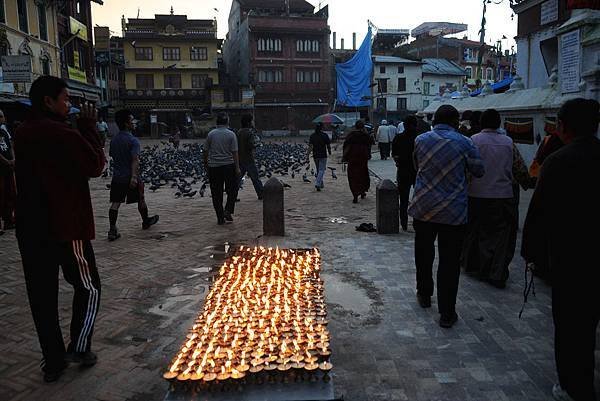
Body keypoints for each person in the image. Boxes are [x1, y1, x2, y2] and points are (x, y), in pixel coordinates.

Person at [14, 76, 106, 382]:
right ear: (48, 102)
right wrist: (89, 129)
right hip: (67, 225)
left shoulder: (22, 133)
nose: (70, 104)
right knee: (89, 286)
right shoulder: (63, 134)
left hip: (31, 228)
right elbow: (95, 165)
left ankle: (53, 361)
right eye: (65, 99)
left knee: (41, 295)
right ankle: (79, 347)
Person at [521, 98, 600, 401]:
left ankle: (572, 386)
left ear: (562, 127)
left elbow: (539, 213)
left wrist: (531, 252)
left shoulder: (558, 161)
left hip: (570, 257)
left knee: (570, 327)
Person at [408, 105, 484, 328]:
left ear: (434, 120)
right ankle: (447, 313)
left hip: (424, 207)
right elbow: (479, 170)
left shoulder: (420, 140)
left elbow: (416, 166)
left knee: (423, 253)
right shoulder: (465, 142)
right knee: (449, 262)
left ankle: (424, 294)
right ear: (454, 122)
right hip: (453, 211)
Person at [461, 109, 514, 289]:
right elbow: (519, 168)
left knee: (475, 232)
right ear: (499, 124)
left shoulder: (473, 140)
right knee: (500, 237)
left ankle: (475, 267)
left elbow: (465, 168)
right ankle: (496, 271)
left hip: (476, 193)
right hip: (502, 195)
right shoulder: (508, 142)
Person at [107, 110, 159, 241]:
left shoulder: (114, 140)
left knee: (115, 203)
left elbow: (113, 156)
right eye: (131, 120)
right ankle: (145, 221)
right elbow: (135, 160)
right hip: (131, 176)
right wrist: (134, 177)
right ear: (126, 123)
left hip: (117, 177)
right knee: (141, 199)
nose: (134, 122)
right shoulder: (133, 140)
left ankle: (112, 229)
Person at [204, 112, 241, 224]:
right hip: (229, 166)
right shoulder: (231, 134)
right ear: (227, 122)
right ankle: (228, 210)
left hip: (214, 167)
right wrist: (237, 168)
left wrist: (206, 165)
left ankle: (220, 217)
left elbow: (205, 151)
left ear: (217, 122)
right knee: (232, 190)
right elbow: (235, 153)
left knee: (216, 193)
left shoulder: (211, 134)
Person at [392, 115, 419, 231]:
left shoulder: (398, 138)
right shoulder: (420, 138)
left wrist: (398, 162)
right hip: (417, 171)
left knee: (403, 199)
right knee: (418, 199)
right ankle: (417, 222)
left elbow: (394, 154)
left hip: (403, 170)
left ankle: (403, 222)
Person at [342, 120, 373, 203]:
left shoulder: (351, 135)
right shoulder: (365, 135)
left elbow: (345, 146)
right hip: (362, 159)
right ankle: (362, 191)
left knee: (353, 176)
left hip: (352, 159)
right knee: (363, 175)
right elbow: (371, 143)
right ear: (363, 127)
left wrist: (344, 157)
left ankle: (355, 194)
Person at [236, 114, 263, 200]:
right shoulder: (249, 133)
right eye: (252, 121)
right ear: (248, 122)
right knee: (256, 179)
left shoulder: (239, 132)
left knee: (237, 180)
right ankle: (261, 194)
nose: (253, 122)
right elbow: (250, 145)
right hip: (249, 159)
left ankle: (232, 196)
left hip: (240, 159)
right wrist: (257, 144)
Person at [0, 109, 16, 234]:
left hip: (8, 169)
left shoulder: (4, 131)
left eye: (3, 116)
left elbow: (9, 146)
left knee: (10, 193)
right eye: (1, 116)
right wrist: (7, 161)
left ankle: (9, 221)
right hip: (2, 168)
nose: (3, 118)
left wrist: (13, 159)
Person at [308, 123, 331, 191]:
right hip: (323, 155)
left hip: (315, 155)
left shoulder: (312, 136)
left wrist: (307, 155)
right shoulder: (324, 135)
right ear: (321, 128)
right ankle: (318, 183)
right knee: (321, 170)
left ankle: (321, 184)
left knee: (319, 170)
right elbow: (328, 145)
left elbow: (310, 147)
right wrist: (329, 152)